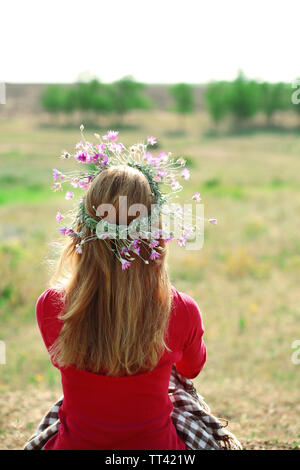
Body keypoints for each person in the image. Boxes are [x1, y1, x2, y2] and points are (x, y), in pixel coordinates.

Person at [36, 160, 207, 450]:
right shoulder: (181, 309)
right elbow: (192, 369)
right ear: (155, 232)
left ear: (82, 229)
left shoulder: (53, 306)